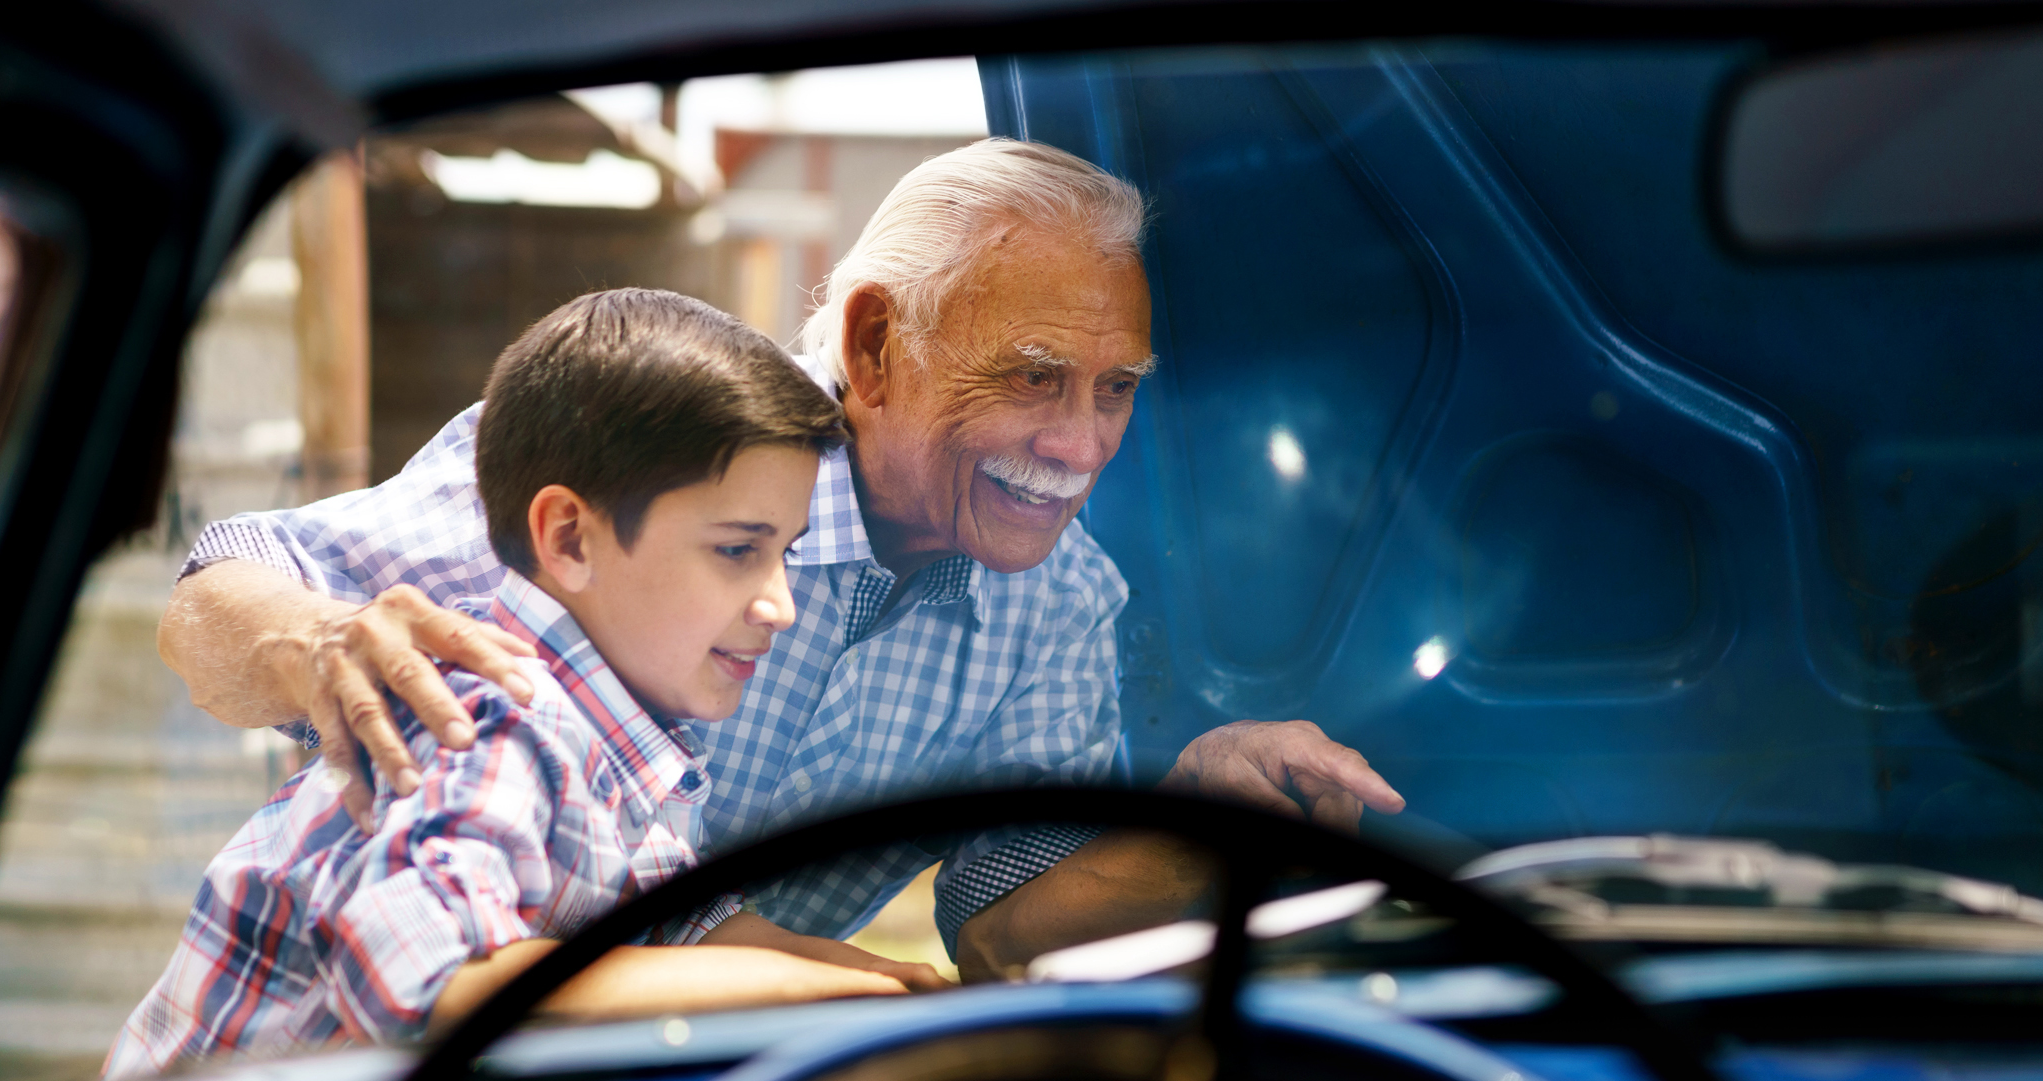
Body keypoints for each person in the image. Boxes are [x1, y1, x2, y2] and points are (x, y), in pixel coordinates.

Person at [158, 138, 1406, 986]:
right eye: (1034, 377)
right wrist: (322, 648)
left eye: (1115, 390)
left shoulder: (1067, 606)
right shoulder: (647, 447)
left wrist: (1195, 826)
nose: (1081, 446)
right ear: (873, 347)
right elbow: (218, 592)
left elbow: (1000, 919)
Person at [107, 290, 943, 1079]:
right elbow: (437, 983)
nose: (781, 606)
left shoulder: (628, 756)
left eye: (785, 554)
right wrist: (810, 997)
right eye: (736, 550)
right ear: (569, 538)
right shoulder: (492, 718)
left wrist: (898, 987)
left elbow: (690, 938)